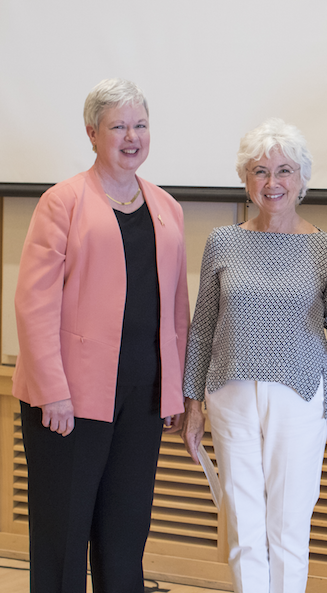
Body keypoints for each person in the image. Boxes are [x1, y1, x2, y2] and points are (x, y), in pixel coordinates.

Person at [12, 78, 190, 592]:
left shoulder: (167, 209)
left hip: (143, 398)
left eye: (140, 125)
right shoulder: (61, 202)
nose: (131, 137)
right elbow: (34, 304)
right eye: (118, 127)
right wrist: (53, 391)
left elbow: (175, 310)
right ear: (93, 133)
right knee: (63, 534)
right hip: (68, 401)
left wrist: (173, 391)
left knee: (126, 532)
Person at [180, 117, 327, 593]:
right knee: (244, 527)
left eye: (284, 170)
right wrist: (191, 403)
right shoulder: (223, 242)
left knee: (288, 527)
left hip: (300, 395)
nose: (273, 183)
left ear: (302, 179)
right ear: (246, 180)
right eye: (260, 171)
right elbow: (202, 326)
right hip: (229, 394)